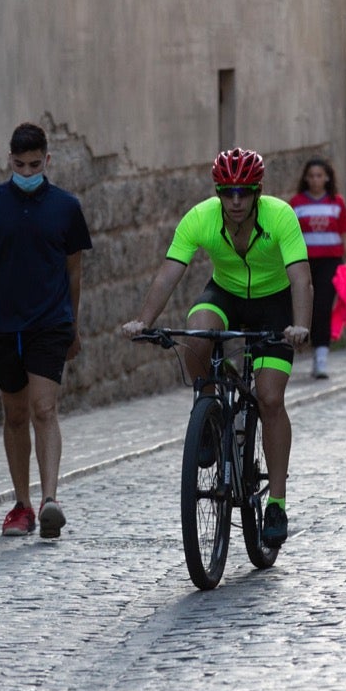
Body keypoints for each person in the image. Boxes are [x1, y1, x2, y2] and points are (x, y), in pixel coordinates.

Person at [120, 148, 312, 546]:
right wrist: (145, 320)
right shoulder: (201, 218)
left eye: (244, 192)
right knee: (195, 336)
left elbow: (301, 279)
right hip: (224, 293)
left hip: (274, 304)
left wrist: (300, 326)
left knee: (270, 397)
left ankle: (276, 502)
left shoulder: (280, 217)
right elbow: (169, 272)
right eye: (228, 193)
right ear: (219, 193)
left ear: (258, 191)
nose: (236, 201)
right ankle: (208, 412)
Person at [0, 123, 93, 539]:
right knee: (14, 412)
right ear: (8, 161)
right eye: (19, 164)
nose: (27, 171)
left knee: (44, 408)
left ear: (47, 161)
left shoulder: (66, 207)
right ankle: (22, 504)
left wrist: (74, 326)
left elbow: (75, 272)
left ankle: (50, 500)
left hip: (49, 322)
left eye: (34, 164)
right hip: (0, 323)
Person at [289, 157, 346, 379]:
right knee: (306, 306)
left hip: (330, 261)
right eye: (312, 175)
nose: (316, 180)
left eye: (320, 175)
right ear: (306, 179)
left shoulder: (337, 203)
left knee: (323, 306)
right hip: (303, 263)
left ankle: (321, 357)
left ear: (327, 178)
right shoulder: (296, 203)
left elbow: (344, 233)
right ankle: (303, 345)